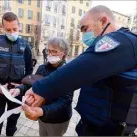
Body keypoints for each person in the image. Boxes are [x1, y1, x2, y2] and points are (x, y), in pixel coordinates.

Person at [22, 5, 137, 136]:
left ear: (103, 21)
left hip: (108, 131)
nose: (83, 35)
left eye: (85, 29)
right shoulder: (110, 47)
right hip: (93, 126)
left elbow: (79, 69)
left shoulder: (123, 41)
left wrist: (39, 89)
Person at [10, 37, 73, 136]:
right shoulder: (42, 68)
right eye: (49, 51)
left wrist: (43, 111)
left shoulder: (68, 72)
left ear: (64, 53)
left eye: (55, 51)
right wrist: (18, 90)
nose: (50, 54)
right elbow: (33, 85)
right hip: (41, 115)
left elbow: (65, 101)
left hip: (58, 119)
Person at [0, 12, 33, 136]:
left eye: (15, 29)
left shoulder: (25, 46)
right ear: (3, 28)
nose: (12, 33)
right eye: (8, 30)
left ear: (19, 26)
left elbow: (29, 71)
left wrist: (21, 87)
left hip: (16, 92)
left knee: (13, 122)